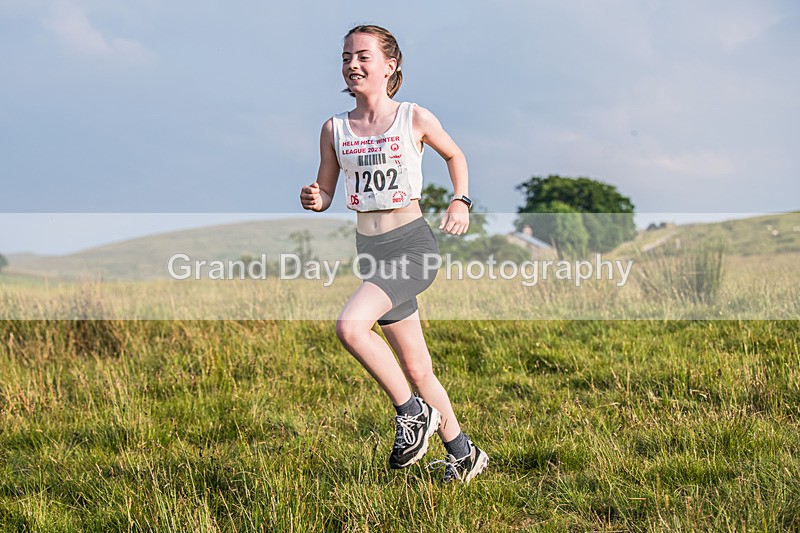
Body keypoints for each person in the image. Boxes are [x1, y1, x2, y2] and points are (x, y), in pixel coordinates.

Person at [299, 24, 488, 483]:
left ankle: (412, 413)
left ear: (390, 65)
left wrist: (460, 200)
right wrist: (315, 198)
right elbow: (327, 190)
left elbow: (455, 155)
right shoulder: (334, 128)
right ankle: (463, 454)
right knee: (418, 368)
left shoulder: (413, 117)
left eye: (363, 56)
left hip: (412, 246)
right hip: (371, 250)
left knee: (350, 326)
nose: (352, 64)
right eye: (346, 57)